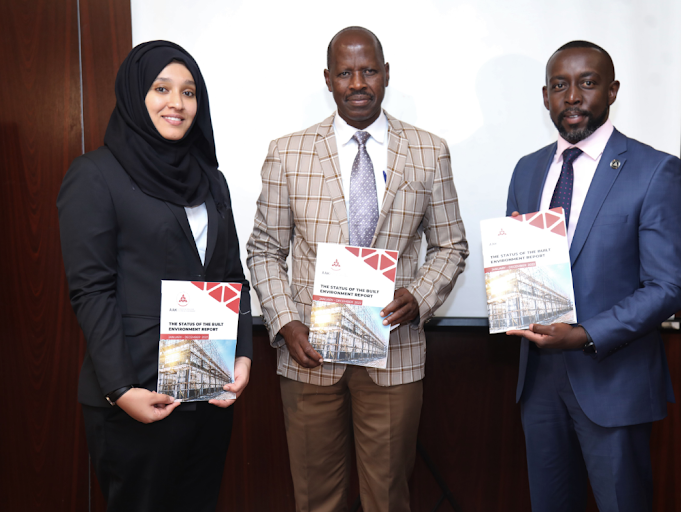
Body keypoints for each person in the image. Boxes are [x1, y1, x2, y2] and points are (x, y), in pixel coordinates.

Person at [247, 26, 468, 512]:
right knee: (316, 498)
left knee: (388, 497)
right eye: (345, 73)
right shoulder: (287, 152)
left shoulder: (430, 150)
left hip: (396, 350)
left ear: (386, 74)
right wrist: (285, 322)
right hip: (309, 356)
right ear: (328, 79)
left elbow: (451, 246)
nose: (358, 83)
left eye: (368, 70)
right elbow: (264, 249)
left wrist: (421, 296)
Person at [57, 40, 252, 512]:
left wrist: (243, 354)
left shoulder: (211, 178)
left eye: (189, 92)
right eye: (161, 88)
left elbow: (230, 274)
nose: (176, 103)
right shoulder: (94, 174)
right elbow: (92, 291)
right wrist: (122, 390)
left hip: (207, 390)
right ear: (134, 94)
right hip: (136, 398)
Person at [505, 41, 681, 512]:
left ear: (611, 91)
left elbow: (668, 285)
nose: (572, 96)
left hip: (615, 380)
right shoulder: (527, 170)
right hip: (540, 384)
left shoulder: (654, 170)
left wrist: (585, 333)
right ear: (545, 96)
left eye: (587, 83)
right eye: (559, 86)